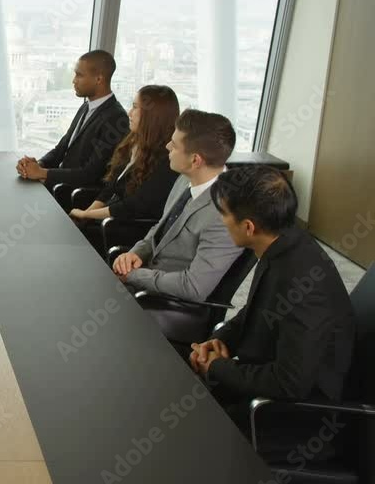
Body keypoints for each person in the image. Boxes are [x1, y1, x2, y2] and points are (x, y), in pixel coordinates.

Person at [190, 166, 355, 458]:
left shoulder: (304, 282)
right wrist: (223, 339)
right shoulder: (282, 241)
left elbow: (290, 383)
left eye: (224, 213)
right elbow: (257, 308)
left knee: (190, 438)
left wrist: (216, 367)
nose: (220, 220)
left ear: (249, 227)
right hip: (268, 386)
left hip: (293, 416)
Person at [112, 110, 242, 309]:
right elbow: (161, 227)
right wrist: (136, 254)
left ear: (195, 160)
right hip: (145, 282)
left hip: (167, 305)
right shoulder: (184, 180)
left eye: (174, 145)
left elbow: (193, 287)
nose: (167, 147)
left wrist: (134, 276)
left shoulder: (225, 215)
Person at [68, 85, 180, 250]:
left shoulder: (167, 159)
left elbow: (134, 206)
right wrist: (85, 215)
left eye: (135, 107)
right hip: (109, 221)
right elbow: (110, 187)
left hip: (127, 230)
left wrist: (87, 215)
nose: (129, 113)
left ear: (152, 116)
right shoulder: (134, 143)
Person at [16, 50, 129, 189]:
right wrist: (38, 164)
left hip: (75, 198)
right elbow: (61, 149)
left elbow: (90, 174)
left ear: (99, 79)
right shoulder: (86, 107)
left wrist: (41, 173)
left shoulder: (116, 117)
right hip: (59, 187)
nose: (74, 80)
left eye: (79, 75)